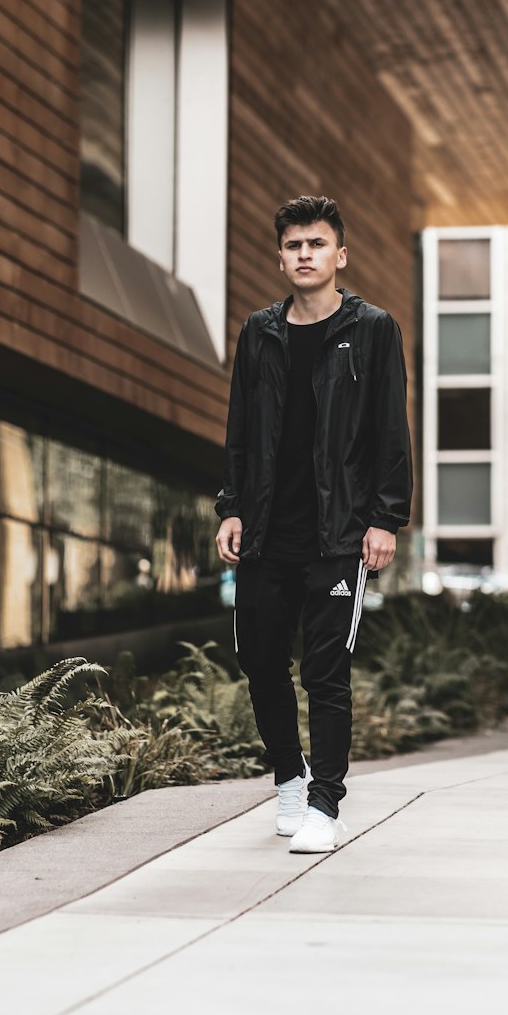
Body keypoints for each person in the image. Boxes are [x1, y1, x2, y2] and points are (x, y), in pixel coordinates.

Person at [215, 195, 413, 854]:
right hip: (268, 532)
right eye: (295, 246)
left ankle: (326, 803)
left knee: (326, 673)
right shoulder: (259, 332)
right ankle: (289, 780)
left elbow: (391, 429)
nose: (305, 255)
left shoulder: (375, 329)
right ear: (281, 258)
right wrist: (232, 506)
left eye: (317, 244)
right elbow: (241, 430)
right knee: (260, 660)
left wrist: (386, 518)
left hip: (339, 535)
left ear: (340, 256)